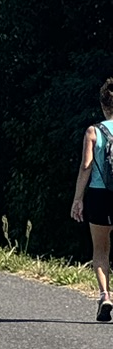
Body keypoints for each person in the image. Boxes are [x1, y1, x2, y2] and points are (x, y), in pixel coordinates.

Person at [69, 77, 113, 321]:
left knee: (100, 249)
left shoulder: (93, 131)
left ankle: (105, 295)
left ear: (103, 105)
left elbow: (86, 166)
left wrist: (78, 199)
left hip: (98, 195)